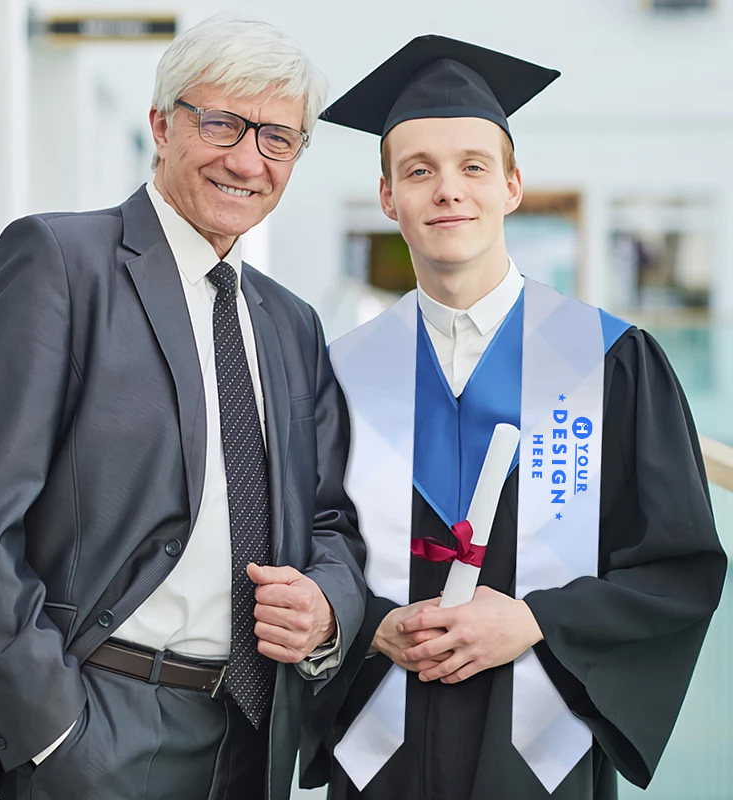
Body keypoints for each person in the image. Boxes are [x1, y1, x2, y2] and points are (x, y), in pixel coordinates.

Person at [0, 16, 365, 800]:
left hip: (247, 735)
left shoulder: (292, 322)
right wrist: (53, 733)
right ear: (163, 125)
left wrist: (327, 607)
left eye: (277, 138)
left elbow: (330, 517)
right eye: (222, 123)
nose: (246, 159)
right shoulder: (61, 265)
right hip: (91, 722)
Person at [300, 34, 726, 800]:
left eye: (472, 166)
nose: (447, 190)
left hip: (540, 753)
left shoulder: (610, 362)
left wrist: (535, 621)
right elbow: (305, 548)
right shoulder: (339, 372)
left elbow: (678, 569)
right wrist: (372, 627)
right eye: (419, 170)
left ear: (513, 186)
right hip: (381, 749)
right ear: (389, 197)